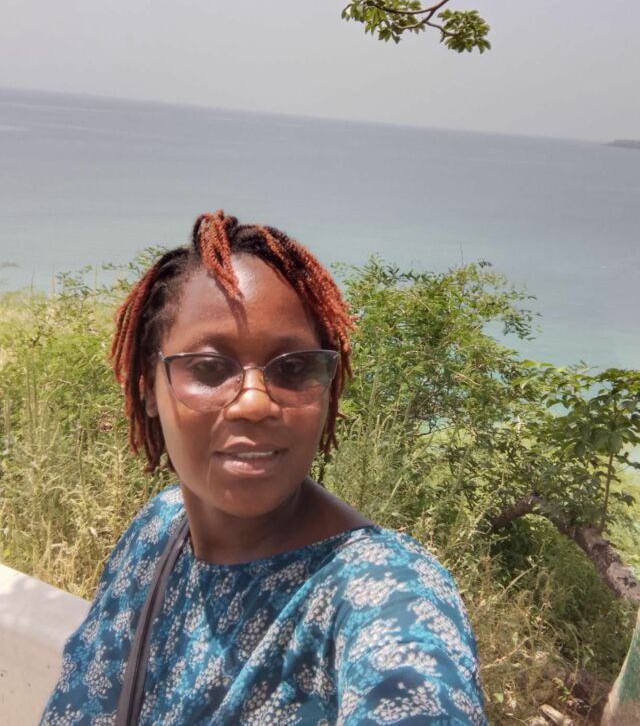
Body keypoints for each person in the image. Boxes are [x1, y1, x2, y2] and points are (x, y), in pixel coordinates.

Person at [40, 210, 487, 725]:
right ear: (147, 389)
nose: (255, 403)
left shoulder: (381, 594)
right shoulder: (156, 532)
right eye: (210, 368)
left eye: (293, 368)